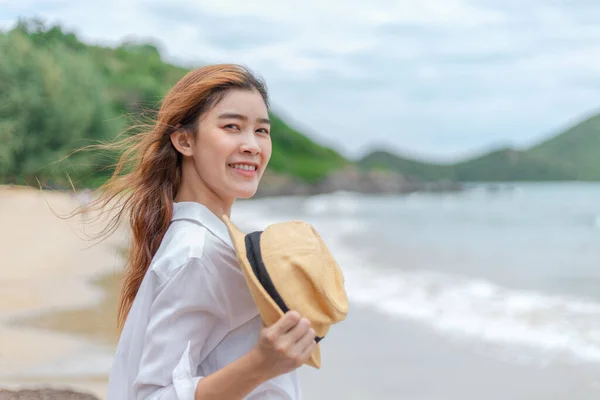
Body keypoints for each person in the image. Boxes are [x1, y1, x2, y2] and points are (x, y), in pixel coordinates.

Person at [83, 64, 316, 399]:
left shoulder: (204, 241)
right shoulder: (198, 252)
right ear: (184, 140)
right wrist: (259, 365)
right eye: (232, 127)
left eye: (262, 131)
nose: (252, 145)